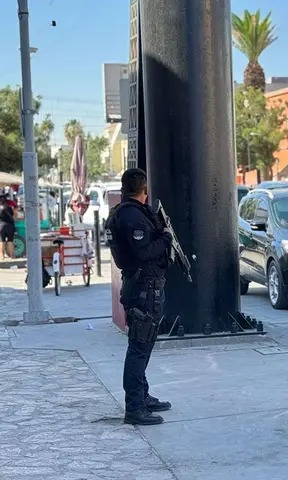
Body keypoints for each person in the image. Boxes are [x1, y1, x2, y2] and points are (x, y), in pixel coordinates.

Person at [105, 168, 173, 426]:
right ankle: (134, 407)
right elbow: (143, 252)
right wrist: (165, 238)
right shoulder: (132, 216)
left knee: (142, 345)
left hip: (140, 285)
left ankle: (142, 396)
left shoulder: (123, 212)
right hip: (144, 287)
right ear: (144, 190)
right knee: (138, 348)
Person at [0, 195, 16, 260]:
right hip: (10, 225)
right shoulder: (9, 207)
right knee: (10, 241)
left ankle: (2, 256)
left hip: (1, 225)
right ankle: (12, 255)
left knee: (2, 241)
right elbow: (13, 215)